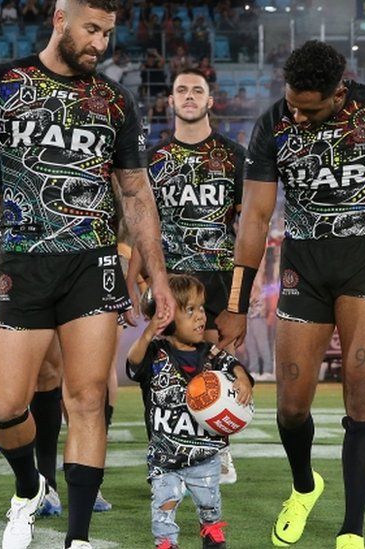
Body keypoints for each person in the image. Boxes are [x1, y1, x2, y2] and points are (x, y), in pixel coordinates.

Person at [0, 1, 174, 547]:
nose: (101, 44)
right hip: (21, 265)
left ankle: (79, 537)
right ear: (59, 19)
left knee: (89, 398)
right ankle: (29, 487)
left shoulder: (115, 99)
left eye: (108, 34)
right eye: (91, 30)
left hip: (92, 264)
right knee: (4, 408)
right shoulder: (1, 82)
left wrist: (157, 275)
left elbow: (137, 194)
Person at [215, 41, 365, 549]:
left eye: (308, 107)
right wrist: (235, 306)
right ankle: (304, 485)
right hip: (304, 269)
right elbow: (254, 216)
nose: (297, 112)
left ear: (339, 91)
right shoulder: (273, 124)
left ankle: (351, 528)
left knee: (361, 388)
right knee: (291, 408)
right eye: (291, 101)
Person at [136, 67, 245, 484]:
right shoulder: (154, 159)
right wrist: (138, 279)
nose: (188, 95)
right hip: (172, 281)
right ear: (171, 101)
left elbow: (247, 228)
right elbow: (142, 227)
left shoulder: (234, 156)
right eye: (181, 89)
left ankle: (219, 453)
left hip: (219, 277)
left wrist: (241, 298)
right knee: (160, 372)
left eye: (197, 90)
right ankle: (162, 454)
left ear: (210, 100)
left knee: (214, 370)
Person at [126, 274, 252, 549]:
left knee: (209, 501)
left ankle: (211, 530)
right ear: (168, 317)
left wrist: (241, 378)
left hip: (204, 453)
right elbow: (132, 364)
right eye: (190, 310)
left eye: (202, 308)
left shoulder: (210, 353)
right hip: (164, 456)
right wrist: (149, 332)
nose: (200, 317)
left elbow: (232, 364)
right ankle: (166, 543)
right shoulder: (154, 353)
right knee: (164, 503)